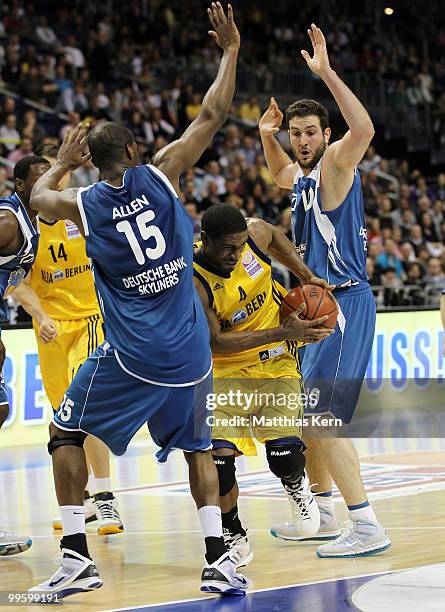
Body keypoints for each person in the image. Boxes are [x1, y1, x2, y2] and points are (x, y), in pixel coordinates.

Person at [29, 3, 248, 598]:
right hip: (191, 355)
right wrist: (228, 52)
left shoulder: (84, 205)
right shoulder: (164, 173)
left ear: (95, 163)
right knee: (198, 448)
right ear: (131, 154)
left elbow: (38, 195)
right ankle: (216, 559)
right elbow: (213, 113)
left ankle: (77, 555)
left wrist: (61, 166)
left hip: (132, 357)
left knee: (64, 433)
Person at [259, 24, 391, 557]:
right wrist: (268, 137)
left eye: (311, 132)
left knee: (320, 415)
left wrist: (326, 73)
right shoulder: (305, 173)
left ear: (325, 133)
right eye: (297, 133)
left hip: (344, 302)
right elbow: (279, 177)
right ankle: (323, 513)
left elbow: (364, 129)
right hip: (316, 310)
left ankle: (367, 525)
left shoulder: (337, 164)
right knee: (303, 413)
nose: (303, 141)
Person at [193, 203, 333, 566]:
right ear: (205, 240)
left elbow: (270, 234)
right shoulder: (195, 281)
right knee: (219, 466)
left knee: (284, 456)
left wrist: (304, 275)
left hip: (276, 364)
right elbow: (214, 342)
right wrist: (283, 331)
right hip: (224, 372)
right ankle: (232, 529)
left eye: (239, 246)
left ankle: (295, 483)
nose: (235, 254)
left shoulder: (252, 236)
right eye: (227, 248)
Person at [13, 144, 123, 536]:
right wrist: (40, 315)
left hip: (90, 320)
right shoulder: (24, 229)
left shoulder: (84, 210)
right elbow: (18, 284)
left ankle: (107, 500)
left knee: (86, 409)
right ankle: (85, 503)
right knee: (64, 420)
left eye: (63, 172)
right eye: (53, 172)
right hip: (50, 329)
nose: (62, 178)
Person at [0, 155, 51, 555]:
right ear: (19, 186)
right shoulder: (7, 222)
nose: (45, 182)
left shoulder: (35, 222)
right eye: (38, 177)